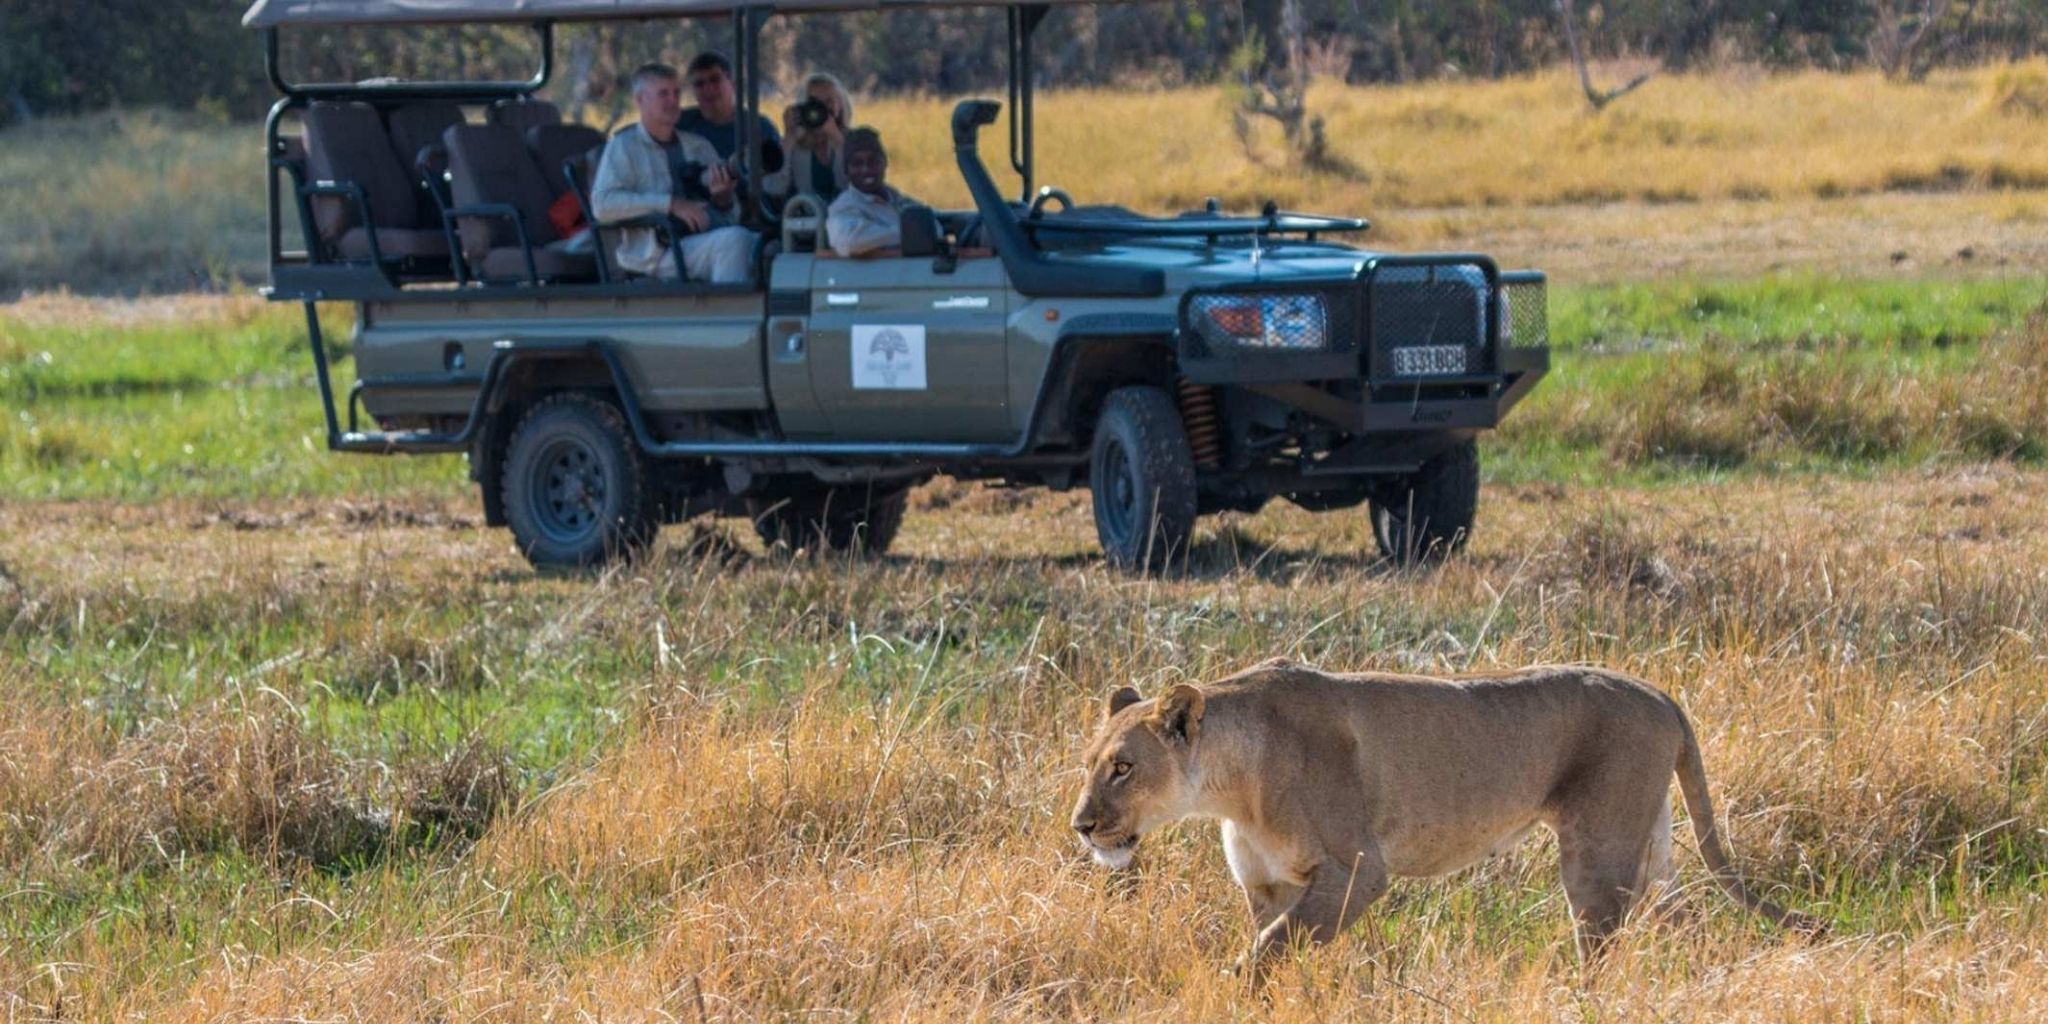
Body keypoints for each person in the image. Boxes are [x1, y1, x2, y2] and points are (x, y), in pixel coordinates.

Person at [591, 63, 756, 283]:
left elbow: (731, 217)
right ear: (640, 100)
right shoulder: (624, 146)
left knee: (768, 248)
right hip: (657, 254)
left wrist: (723, 198)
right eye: (663, 94)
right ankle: (729, 306)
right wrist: (670, 204)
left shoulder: (698, 145)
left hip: (703, 239)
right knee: (734, 242)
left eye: (676, 93)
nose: (673, 101)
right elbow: (602, 205)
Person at [826, 128, 921, 258]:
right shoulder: (842, 208)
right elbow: (850, 241)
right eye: (857, 164)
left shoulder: (900, 201)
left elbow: (935, 228)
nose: (866, 169)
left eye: (873, 161)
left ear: (885, 163)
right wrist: (909, 233)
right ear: (846, 170)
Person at [677, 52, 783, 164]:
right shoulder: (680, 124)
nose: (708, 89)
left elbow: (777, 170)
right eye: (699, 84)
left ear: (732, 83)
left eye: (715, 80)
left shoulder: (759, 128)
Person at [765, 72, 853, 205]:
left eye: (829, 102)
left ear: (840, 105)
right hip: (806, 214)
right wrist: (789, 137)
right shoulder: (795, 144)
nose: (821, 108)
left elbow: (857, 186)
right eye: (814, 103)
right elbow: (775, 188)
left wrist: (837, 140)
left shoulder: (854, 140)